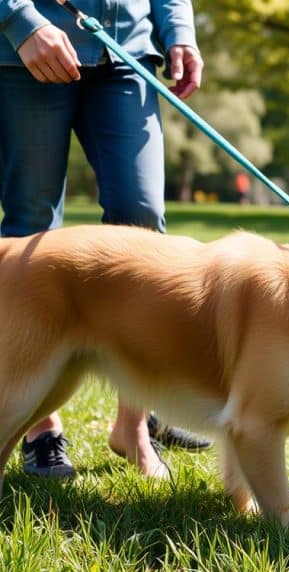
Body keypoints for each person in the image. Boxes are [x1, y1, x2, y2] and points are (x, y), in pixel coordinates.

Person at [0, 0, 211, 478]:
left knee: (142, 223)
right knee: (30, 227)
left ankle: (133, 423)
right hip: (27, 49)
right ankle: (40, 428)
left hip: (127, 51)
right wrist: (20, 21)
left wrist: (179, 30)